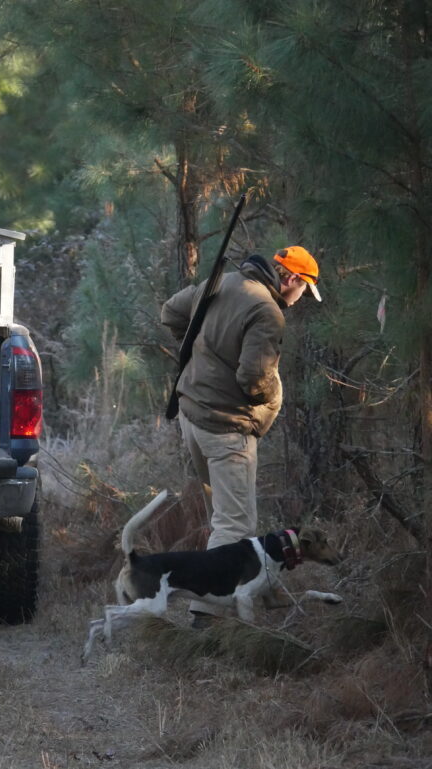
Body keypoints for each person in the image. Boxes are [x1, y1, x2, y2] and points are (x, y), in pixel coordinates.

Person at [161, 246, 321, 625]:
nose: (300, 301)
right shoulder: (267, 311)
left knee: (223, 517)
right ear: (292, 279)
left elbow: (170, 311)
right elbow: (253, 380)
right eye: (304, 291)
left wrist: (199, 347)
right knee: (234, 526)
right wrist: (273, 394)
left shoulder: (226, 282)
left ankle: (259, 597)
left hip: (192, 417)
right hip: (226, 428)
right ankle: (205, 620)